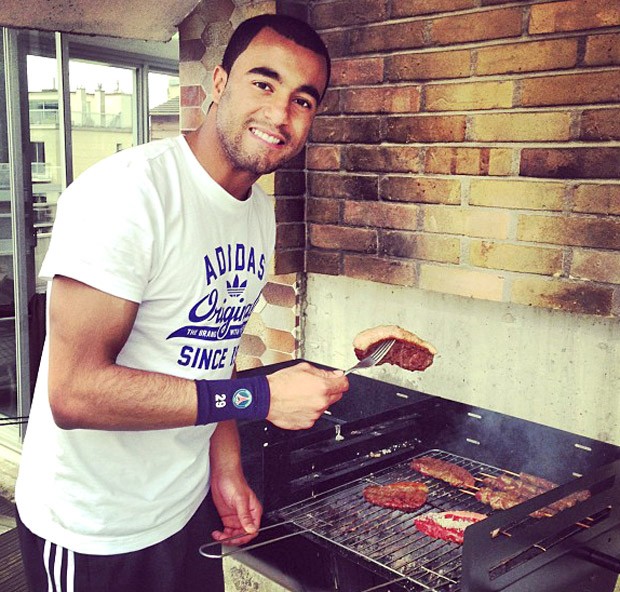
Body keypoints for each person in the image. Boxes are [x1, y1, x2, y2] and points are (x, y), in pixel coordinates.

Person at [15, 14, 347, 592]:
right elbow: (74, 392)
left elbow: (209, 355)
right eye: (263, 84)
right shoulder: (126, 195)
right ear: (220, 82)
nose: (280, 114)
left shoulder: (256, 211)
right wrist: (261, 396)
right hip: (96, 526)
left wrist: (225, 467)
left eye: (303, 100)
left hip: (184, 506)